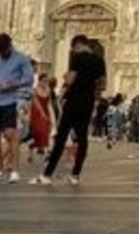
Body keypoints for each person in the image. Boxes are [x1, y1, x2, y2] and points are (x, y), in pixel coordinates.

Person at [33, 36, 107, 187]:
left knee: (61, 136)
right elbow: (103, 83)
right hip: (88, 101)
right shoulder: (99, 60)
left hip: (74, 100)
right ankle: (75, 175)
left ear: (77, 45)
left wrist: (66, 77)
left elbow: (70, 80)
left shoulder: (77, 58)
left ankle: (47, 174)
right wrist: (90, 85)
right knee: (82, 138)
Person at [0, 32, 35, 184]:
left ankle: (14, 171)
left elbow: (29, 79)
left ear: (10, 46)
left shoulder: (22, 59)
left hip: (11, 100)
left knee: (12, 135)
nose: (2, 54)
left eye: (4, 51)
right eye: (0, 51)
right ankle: (0, 170)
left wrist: (12, 84)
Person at [27, 69, 58, 164]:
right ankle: (32, 151)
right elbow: (30, 104)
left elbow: (49, 104)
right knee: (37, 133)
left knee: (45, 132)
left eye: (47, 81)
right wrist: (28, 116)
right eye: (44, 81)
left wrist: (52, 117)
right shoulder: (34, 90)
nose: (45, 83)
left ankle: (47, 154)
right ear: (39, 81)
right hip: (36, 114)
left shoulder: (48, 90)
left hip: (45, 114)